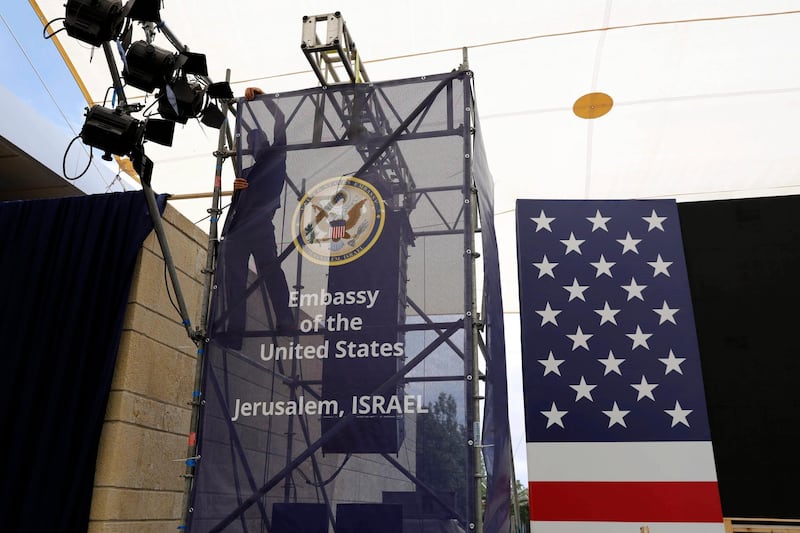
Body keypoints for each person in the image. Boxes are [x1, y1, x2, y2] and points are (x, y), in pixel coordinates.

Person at [216, 87, 294, 348]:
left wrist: (265, 99)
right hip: (239, 229)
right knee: (234, 280)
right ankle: (234, 333)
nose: (254, 145)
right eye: (251, 142)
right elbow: (237, 205)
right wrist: (235, 190)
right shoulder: (247, 170)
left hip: (261, 226)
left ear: (266, 143)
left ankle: (286, 320)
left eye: (257, 140)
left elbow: (281, 120)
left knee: (271, 272)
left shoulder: (276, 157)